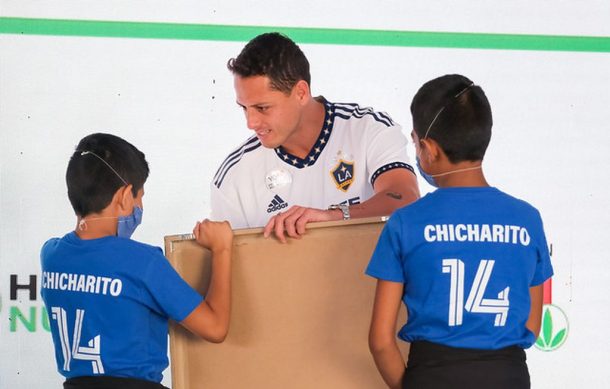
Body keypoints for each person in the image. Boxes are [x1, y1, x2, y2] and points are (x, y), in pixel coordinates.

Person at [366, 75, 553, 389]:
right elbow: (532, 326)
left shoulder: (406, 223)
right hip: (507, 377)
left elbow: (381, 341)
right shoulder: (527, 219)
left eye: (414, 142)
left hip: (432, 375)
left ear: (429, 148)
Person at [40, 133, 233, 389]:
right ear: (123, 196)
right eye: (139, 196)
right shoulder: (143, 262)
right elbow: (215, 327)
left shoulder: (51, 255)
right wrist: (222, 249)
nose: (140, 205)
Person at [210, 32, 420, 241]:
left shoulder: (367, 129)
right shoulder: (233, 176)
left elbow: (406, 200)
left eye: (262, 108)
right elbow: (229, 263)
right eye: (244, 108)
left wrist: (333, 217)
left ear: (301, 92)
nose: (251, 122)